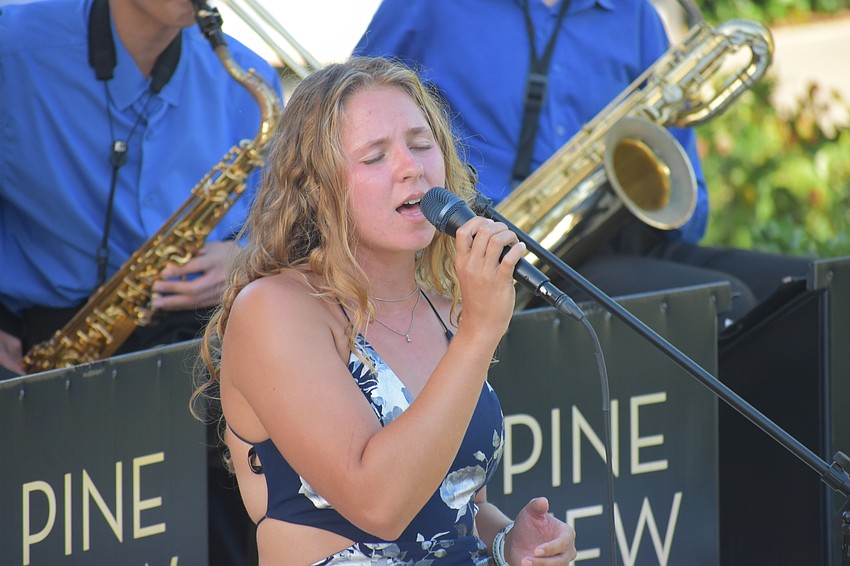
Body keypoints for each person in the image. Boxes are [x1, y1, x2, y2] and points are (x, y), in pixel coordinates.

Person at [193, 56, 577, 564]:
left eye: (421, 145)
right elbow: (379, 503)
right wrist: (479, 333)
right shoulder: (275, 310)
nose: (411, 167)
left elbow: (457, 503)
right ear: (316, 186)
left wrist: (511, 543)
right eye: (374, 157)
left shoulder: (446, 308)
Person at [0, 0, 283, 564]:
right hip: (33, 343)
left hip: (185, 339)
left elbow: (291, 230)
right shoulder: (12, 49)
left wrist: (244, 257)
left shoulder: (246, 84)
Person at [353, 0, 813, 324]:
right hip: (500, 257)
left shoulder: (633, 15)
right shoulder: (427, 6)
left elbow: (686, 191)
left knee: (810, 288)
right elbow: (349, 108)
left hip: (618, 239)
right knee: (725, 304)